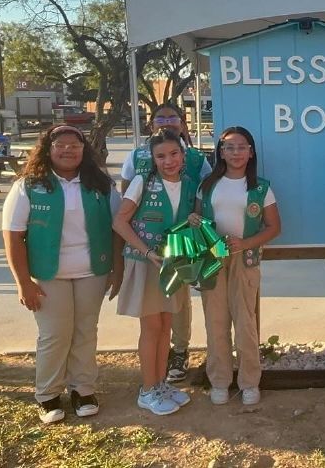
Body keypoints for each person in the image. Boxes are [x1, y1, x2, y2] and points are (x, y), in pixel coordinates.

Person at [2, 125, 123, 424]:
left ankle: (83, 390)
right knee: (55, 335)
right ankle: (48, 395)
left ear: (85, 150)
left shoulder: (101, 184)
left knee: (85, 332)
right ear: (48, 148)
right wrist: (22, 282)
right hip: (47, 275)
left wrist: (117, 270)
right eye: (61, 145)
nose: (68, 150)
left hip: (92, 271)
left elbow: (118, 228)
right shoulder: (28, 185)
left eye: (75, 145)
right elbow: (13, 235)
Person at [121, 103, 212, 383]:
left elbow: (204, 198)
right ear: (151, 124)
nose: (167, 121)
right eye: (161, 117)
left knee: (177, 308)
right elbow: (125, 207)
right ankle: (152, 384)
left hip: (181, 249)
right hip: (148, 251)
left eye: (173, 116)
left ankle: (178, 353)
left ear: (183, 124)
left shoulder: (197, 160)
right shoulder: (137, 161)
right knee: (153, 322)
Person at [190, 126, 281, 406]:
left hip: (245, 259)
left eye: (242, 147)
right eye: (229, 147)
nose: (236, 152)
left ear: (251, 152)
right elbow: (195, 218)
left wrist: (246, 243)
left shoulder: (260, 187)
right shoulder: (207, 184)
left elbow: (274, 227)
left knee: (245, 322)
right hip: (212, 261)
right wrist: (196, 224)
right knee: (215, 320)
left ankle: (249, 381)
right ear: (220, 152)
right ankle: (219, 380)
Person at [112, 129, 195, 415]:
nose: (168, 160)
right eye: (161, 156)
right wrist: (147, 252)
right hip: (146, 264)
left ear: (183, 155)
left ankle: (160, 383)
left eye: (174, 154)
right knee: (151, 328)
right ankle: (147, 390)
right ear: (153, 159)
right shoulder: (141, 182)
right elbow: (120, 223)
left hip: (173, 265)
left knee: (166, 328)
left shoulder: (188, 184)